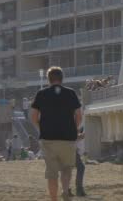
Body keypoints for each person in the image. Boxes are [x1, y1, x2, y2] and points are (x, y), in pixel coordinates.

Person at [30, 66, 83, 201]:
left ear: (48, 79)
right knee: (67, 168)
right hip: (67, 138)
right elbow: (78, 115)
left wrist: (40, 128)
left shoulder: (41, 94)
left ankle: (54, 198)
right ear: (62, 78)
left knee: (52, 173)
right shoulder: (71, 93)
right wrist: (74, 128)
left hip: (48, 138)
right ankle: (65, 190)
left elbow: (34, 116)